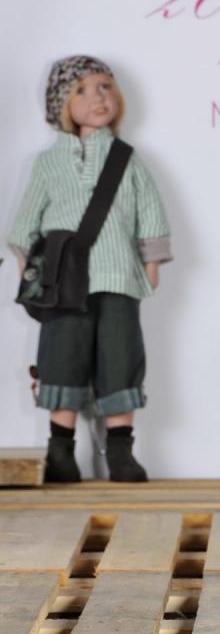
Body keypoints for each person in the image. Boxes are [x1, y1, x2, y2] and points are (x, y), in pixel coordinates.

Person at [8, 55, 172, 483]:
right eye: (81, 90)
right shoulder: (49, 162)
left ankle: (120, 451)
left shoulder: (126, 159)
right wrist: (29, 267)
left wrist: (151, 260)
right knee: (61, 356)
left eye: (104, 87)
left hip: (119, 276)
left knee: (121, 357)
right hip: (63, 282)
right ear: (61, 103)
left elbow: (149, 211)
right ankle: (60, 451)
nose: (97, 97)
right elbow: (25, 223)